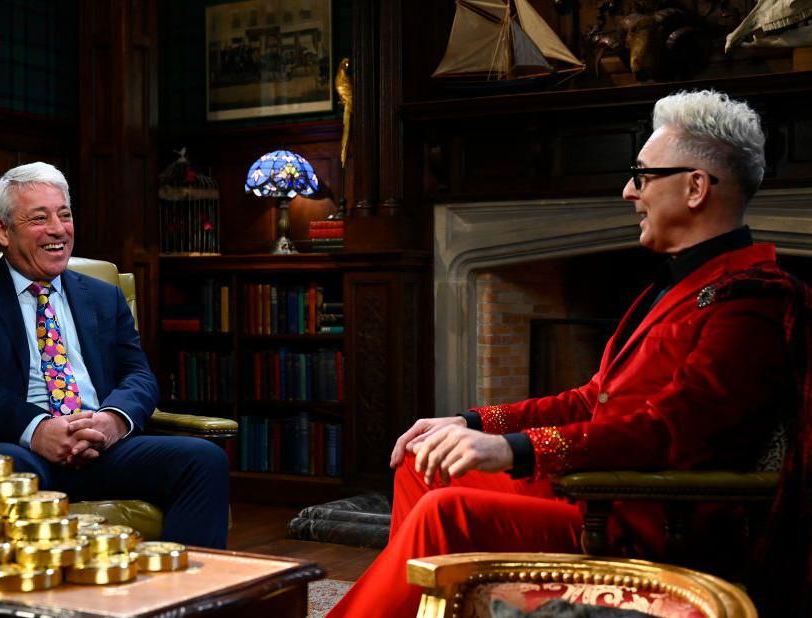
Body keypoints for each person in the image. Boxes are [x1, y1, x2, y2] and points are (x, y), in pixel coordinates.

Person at [329, 90, 800, 617]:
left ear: (695, 187)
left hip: (644, 522)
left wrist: (519, 450)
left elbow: (669, 432)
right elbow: (589, 400)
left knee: (447, 510)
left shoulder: (751, 300)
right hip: (597, 488)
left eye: (642, 176)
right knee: (424, 460)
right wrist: (473, 423)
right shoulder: (673, 286)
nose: (628, 191)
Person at [0, 162, 229, 548]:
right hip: (20, 449)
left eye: (65, 215)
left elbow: (138, 374)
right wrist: (38, 430)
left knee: (202, 459)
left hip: (101, 445)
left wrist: (112, 422)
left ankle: (186, 597)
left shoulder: (102, 294)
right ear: (2, 230)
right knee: (4, 469)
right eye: (40, 218)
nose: (58, 230)